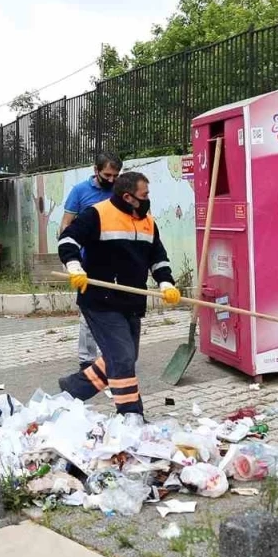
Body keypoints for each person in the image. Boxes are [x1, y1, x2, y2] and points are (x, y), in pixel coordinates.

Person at [57, 170, 180, 417]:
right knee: (122, 359)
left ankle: (74, 388)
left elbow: (158, 258)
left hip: (132, 301)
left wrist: (166, 283)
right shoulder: (98, 214)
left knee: (126, 356)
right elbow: (67, 240)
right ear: (128, 197)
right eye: (144, 194)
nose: (148, 198)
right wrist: (74, 266)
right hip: (100, 299)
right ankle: (131, 415)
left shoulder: (148, 222)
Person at [61, 153, 123, 371]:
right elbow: (66, 226)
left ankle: (112, 356)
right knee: (89, 312)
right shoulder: (80, 191)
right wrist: (70, 261)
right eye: (107, 174)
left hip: (115, 261)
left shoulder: (119, 191)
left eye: (116, 175)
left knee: (116, 311)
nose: (112, 179)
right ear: (96, 170)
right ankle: (87, 360)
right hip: (87, 262)